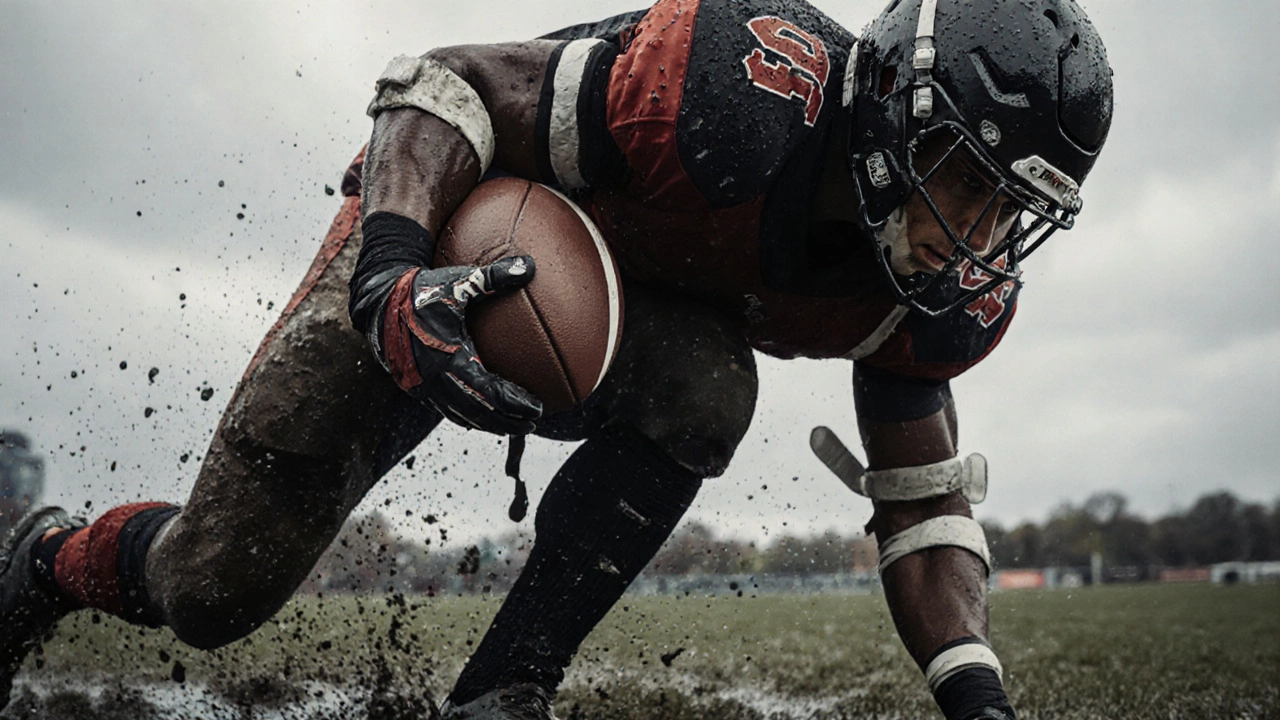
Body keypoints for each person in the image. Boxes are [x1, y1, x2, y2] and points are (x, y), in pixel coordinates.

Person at [0, 0, 1113, 718]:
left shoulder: (944, 291)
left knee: (711, 385)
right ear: (883, 106)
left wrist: (977, 704)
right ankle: (46, 559)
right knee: (211, 590)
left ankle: (506, 687)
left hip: (620, 323)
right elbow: (444, 85)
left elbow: (920, 513)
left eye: (1007, 206)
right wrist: (391, 275)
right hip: (450, 229)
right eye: (959, 174)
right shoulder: (737, 89)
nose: (968, 231)